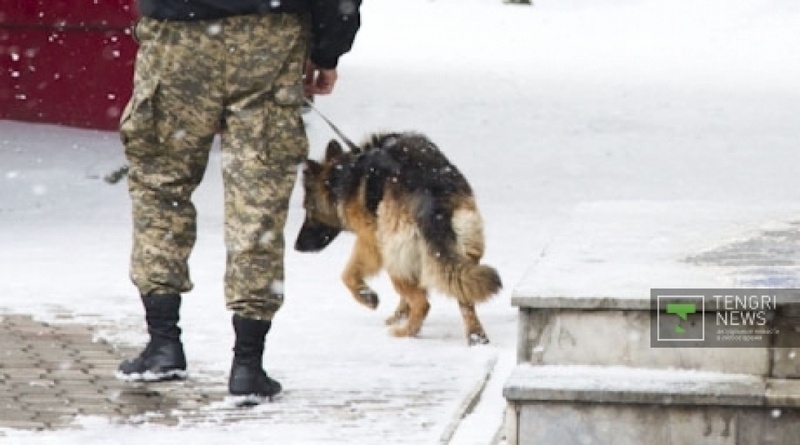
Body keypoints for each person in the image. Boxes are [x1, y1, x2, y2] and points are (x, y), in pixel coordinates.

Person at [116, 0, 361, 403]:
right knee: (258, 199)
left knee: (161, 187)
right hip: (270, 36)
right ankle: (248, 363)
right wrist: (327, 50)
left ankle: (163, 342)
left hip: (177, 37)